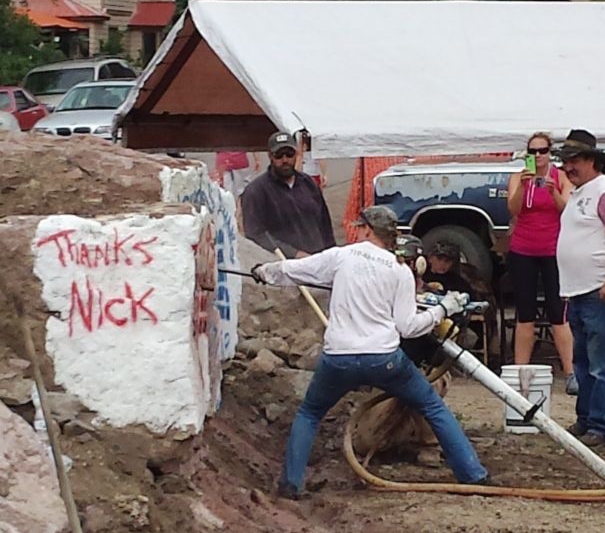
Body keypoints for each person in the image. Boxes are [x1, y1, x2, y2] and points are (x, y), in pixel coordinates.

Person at [251, 205, 489, 499]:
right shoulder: (399, 270)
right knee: (431, 406)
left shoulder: (340, 256)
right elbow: (409, 327)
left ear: (365, 229)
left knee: (310, 413)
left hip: (338, 358)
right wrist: (443, 309)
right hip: (384, 359)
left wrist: (263, 272)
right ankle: (472, 474)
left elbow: (291, 270)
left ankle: (290, 483)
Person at [555, 129, 605, 447]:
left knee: (599, 362)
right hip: (580, 288)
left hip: (597, 288)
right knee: (584, 361)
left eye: (574, 160)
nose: (568, 167)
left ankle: (601, 425)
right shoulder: (581, 193)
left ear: (591, 161)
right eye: (566, 161)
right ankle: (587, 419)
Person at [505, 132, 576, 395]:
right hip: (523, 248)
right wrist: (523, 187)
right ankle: (520, 373)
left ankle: (570, 372)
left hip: (553, 250)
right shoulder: (517, 177)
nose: (538, 156)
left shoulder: (561, 177)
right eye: (532, 152)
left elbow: (567, 209)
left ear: (550, 153)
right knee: (525, 313)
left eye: (542, 151)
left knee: (559, 312)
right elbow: (513, 210)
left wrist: (553, 191)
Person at [242, 132, 336, 258]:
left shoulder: (308, 183)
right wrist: (294, 253)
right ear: (270, 156)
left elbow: (324, 223)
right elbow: (255, 234)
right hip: (281, 266)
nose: (285, 160)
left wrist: (332, 254)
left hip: (318, 261)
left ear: (296, 154)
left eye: (289, 154)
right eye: (279, 155)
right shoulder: (256, 191)